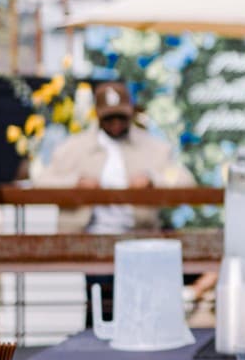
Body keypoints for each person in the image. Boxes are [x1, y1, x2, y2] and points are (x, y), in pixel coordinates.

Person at [38, 80, 194, 322]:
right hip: (93, 241)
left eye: (121, 117)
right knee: (101, 307)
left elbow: (184, 180)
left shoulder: (152, 148)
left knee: (140, 309)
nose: (116, 124)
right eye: (109, 118)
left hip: (139, 237)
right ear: (98, 117)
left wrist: (152, 179)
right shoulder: (74, 148)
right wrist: (76, 182)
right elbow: (42, 182)